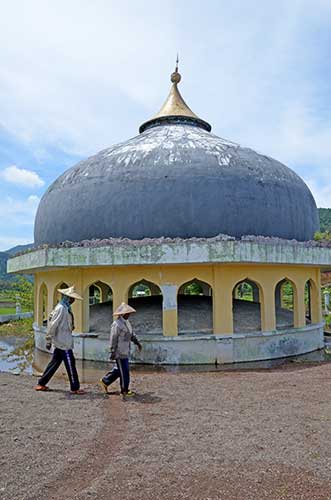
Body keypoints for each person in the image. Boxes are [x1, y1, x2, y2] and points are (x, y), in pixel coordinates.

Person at [34, 286, 85, 395]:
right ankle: (75, 387)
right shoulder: (61, 308)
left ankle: (41, 383)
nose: (73, 300)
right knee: (70, 363)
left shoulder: (66, 308)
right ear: (67, 298)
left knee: (54, 363)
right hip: (63, 342)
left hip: (63, 340)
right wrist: (48, 340)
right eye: (72, 298)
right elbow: (52, 325)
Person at [99, 302, 142, 397]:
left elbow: (131, 334)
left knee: (120, 369)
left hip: (125, 350)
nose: (128, 315)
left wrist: (137, 342)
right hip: (119, 351)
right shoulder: (116, 324)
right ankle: (124, 390)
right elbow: (113, 339)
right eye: (127, 313)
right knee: (125, 371)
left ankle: (105, 381)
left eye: (129, 313)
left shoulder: (127, 323)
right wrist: (113, 351)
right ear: (122, 314)